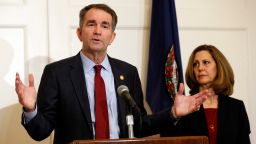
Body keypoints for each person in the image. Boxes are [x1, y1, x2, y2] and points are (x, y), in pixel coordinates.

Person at [15, 4, 210, 144]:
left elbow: (139, 125)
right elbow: (41, 132)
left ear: (112, 37)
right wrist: (31, 109)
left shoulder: (128, 73)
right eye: (91, 24)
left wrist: (173, 113)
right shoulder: (57, 73)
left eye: (105, 26)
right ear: (79, 33)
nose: (97, 31)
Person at [161, 44, 251, 144]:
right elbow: (167, 140)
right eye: (195, 64)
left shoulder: (236, 107)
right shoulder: (184, 106)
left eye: (206, 62)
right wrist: (173, 115)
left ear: (219, 66)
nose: (200, 68)